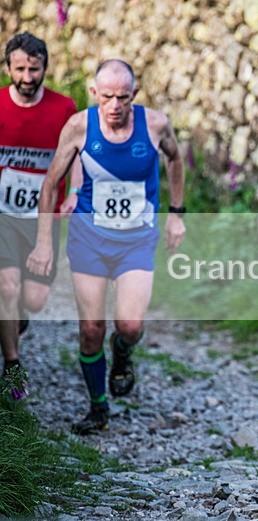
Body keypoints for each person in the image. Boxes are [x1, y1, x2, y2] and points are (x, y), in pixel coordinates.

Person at [27, 59, 186, 434]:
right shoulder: (80, 126)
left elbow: (176, 159)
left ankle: (124, 353)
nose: (115, 106)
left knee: (129, 325)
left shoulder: (155, 124)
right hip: (89, 241)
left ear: (135, 95)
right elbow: (51, 184)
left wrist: (177, 213)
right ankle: (98, 407)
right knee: (91, 329)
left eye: (124, 98)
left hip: (136, 241)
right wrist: (44, 244)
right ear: (94, 93)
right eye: (107, 97)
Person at [1, 32, 82, 401]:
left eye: (35, 69)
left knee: (31, 300)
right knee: (7, 286)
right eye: (20, 69)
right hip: (3, 214)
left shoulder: (64, 108)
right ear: (8, 69)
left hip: (43, 218)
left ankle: (13, 318)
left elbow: (76, 156)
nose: (28, 77)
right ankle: (13, 365)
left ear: (45, 68)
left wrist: (76, 193)